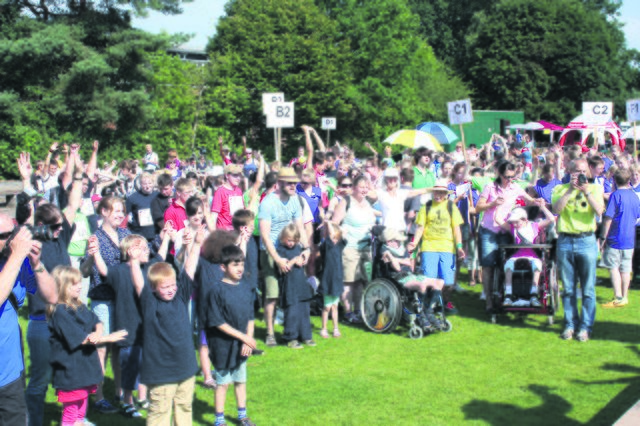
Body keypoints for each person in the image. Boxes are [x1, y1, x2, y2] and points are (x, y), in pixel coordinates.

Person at [129, 226, 202, 425]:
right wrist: (134, 261)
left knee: (184, 407)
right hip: (161, 372)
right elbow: (138, 284)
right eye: (165, 287)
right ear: (153, 288)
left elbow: (189, 269)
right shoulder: (150, 302)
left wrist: (196, 244)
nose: (171, 290)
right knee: (160, 413)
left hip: (186, 367)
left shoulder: (180, 296)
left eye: (172, 285)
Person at [48, 266, 127, 426]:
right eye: (74, 284)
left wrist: (98, 332)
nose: (80, 286)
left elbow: (96, 321)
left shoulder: (78, 305)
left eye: (79, 283)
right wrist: (109, 338)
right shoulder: (60, 312)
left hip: (84, 369)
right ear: (62, 287)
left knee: (82, 404)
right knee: (71, 411)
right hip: (71, 372)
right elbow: (81, 339)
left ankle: (80, 421)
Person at [0, 215, 57, 426]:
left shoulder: (16, 262)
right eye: (5, 236)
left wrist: (36, 263)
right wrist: (17, 255)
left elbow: (52, 297)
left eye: (12, 233)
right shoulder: (14, 260)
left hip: (10, 373)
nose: (11, 240)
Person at [475, 161, 544, 312]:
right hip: (489, 230)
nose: (509, 180)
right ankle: (488, 301)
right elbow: (478, 207)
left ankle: (503, 294)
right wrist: (492, 203)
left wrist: (536, 201)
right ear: (499, 174)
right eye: (507, 177)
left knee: (503, 264)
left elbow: (528, 199)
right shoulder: (490, 187)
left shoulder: (515, 187)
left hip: (505, 230)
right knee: (488, 266)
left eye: (512, 177)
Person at [203, 245, 257, 426]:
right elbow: (217, 322)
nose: (240, 268)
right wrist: (244, 338)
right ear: (223, 267)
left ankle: (243, 416)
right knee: (223, 383)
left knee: (240, 381)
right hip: (223, 346)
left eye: (241, 263)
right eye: (235, 265)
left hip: (242, 345)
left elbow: (250, 316)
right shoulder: (216, 290)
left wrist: (248, 340)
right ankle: (220, 419)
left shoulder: (246, 287)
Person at [552, 159, 605, 342]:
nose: (580, 174)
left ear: (588, 172)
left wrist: (586, 192)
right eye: (576, 171)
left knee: (588, 288)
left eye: (583, 171)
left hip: (586, 240)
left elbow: (600, 211)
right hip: (566, 240)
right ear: (569, 171)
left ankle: (585, 327)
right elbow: (556, 209)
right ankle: (570, 324)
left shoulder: (595, 189)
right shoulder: (560, 188)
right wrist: (570, 190)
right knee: (568, 288)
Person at [258, 167, 309, 346]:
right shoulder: (267, 203)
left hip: (290, 250)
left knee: (292, 293)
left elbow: (300, 227)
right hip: (271, 252)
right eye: (290, 182)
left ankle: (292, 332)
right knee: (272, 294)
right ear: (279, 183)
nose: (294, 185)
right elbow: (265, 235)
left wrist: (307, 248)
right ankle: (270, 333)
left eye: (295, 182)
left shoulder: (295, 200)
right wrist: (278, 259)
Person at [408, 179, 465, 314]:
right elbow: (420, 228)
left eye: (441, 192)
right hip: (429, 247)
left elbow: (456, 229)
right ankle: (427, 306)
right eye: (436, 192)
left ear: (446, 194)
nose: (438, 195)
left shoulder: (451, 207)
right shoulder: (426, 207)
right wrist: (414, 243)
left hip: (447, 248)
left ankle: (443, 302)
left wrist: (459, 246)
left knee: (448, 282)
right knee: (429, 280)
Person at [331, 175, 378, 324]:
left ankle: (358, 310)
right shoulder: (346, 202)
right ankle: (348, 312)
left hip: (366, 248)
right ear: (354, 187)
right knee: (349, 282)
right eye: (361, 186)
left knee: (360, 282)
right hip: (350, 248)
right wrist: (340, 233)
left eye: (366, 187)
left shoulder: (368, 202)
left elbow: (375, 195)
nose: (364, 190)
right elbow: (334, 223)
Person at [380, 227, 446, 330]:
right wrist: (391, 257)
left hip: (410, 274)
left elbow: (408, 263)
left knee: (439, 282)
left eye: (397, 240)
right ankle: (421, 315)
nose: (397, 242)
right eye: (395, 240)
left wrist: (398, 259)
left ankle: (428, 311)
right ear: (389, 241)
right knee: (422, 284)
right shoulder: (384, 251)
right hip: (399, 278)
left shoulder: (401, 249)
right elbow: (397, 268)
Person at [495, 206, 555, 307]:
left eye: (516, 222)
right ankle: (508, 295)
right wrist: (501, 205)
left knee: (537, 266)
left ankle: (533, 294)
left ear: (524, 219)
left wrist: (542, 206)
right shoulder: (513, 228)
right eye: (513, 222)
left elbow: (551, 219)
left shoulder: (535, 226)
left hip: (533, 255)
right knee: (508, 265)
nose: (514, 224)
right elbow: (497, 219)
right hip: (517, 255)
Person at [600, 169, 640, 308]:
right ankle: (625, 296)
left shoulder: (615, 195)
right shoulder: (634, 196)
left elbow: (608, 218)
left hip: (615, 237)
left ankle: (618, 297)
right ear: (629, 180)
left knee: (613, 267)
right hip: (630, 238)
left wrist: (602, 238)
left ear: (615, 181)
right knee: (625, 269)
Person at [276, 224, 316, 349]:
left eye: (293, 240)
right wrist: (294, 260)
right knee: (292, 313)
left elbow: (303, 255)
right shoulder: (280, 251)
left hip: (301, 284)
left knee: (304, 312)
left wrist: (303, 258)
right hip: (289, 286)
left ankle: (306, 336)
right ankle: (291, 337)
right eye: (288, 240)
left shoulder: (298, 248)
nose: (290, 243)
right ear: (283, 238)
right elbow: (284, 267)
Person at [318, 222, 344, 339]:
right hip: (328, 282)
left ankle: (335, 328)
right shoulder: (325, 246)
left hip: (337, 282)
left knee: (335, 306)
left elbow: (344, 233)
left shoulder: (339, 246)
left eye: (336, 238)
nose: (334, 240)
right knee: (327, 307)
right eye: (333, 237)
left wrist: (336, 228)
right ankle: (323, 328)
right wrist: (328, 223)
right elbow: (329, 236)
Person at [210, 164, 245, 231]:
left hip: (237, 231)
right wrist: (213, 235)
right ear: (227, 175)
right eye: (235, 175)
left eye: (239, 175)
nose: (238, 178)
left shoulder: (239, 190)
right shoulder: (220, 191)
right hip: (224, 233)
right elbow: (214, 215)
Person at [126, 172, 158, 242]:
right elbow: (125, 215)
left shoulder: (158, 196)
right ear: (140, 184)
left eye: (150, 183)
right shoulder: (132, 198)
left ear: (153, 184)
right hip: (139, 235)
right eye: (145, 184)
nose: (147, 186)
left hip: (156, 234)